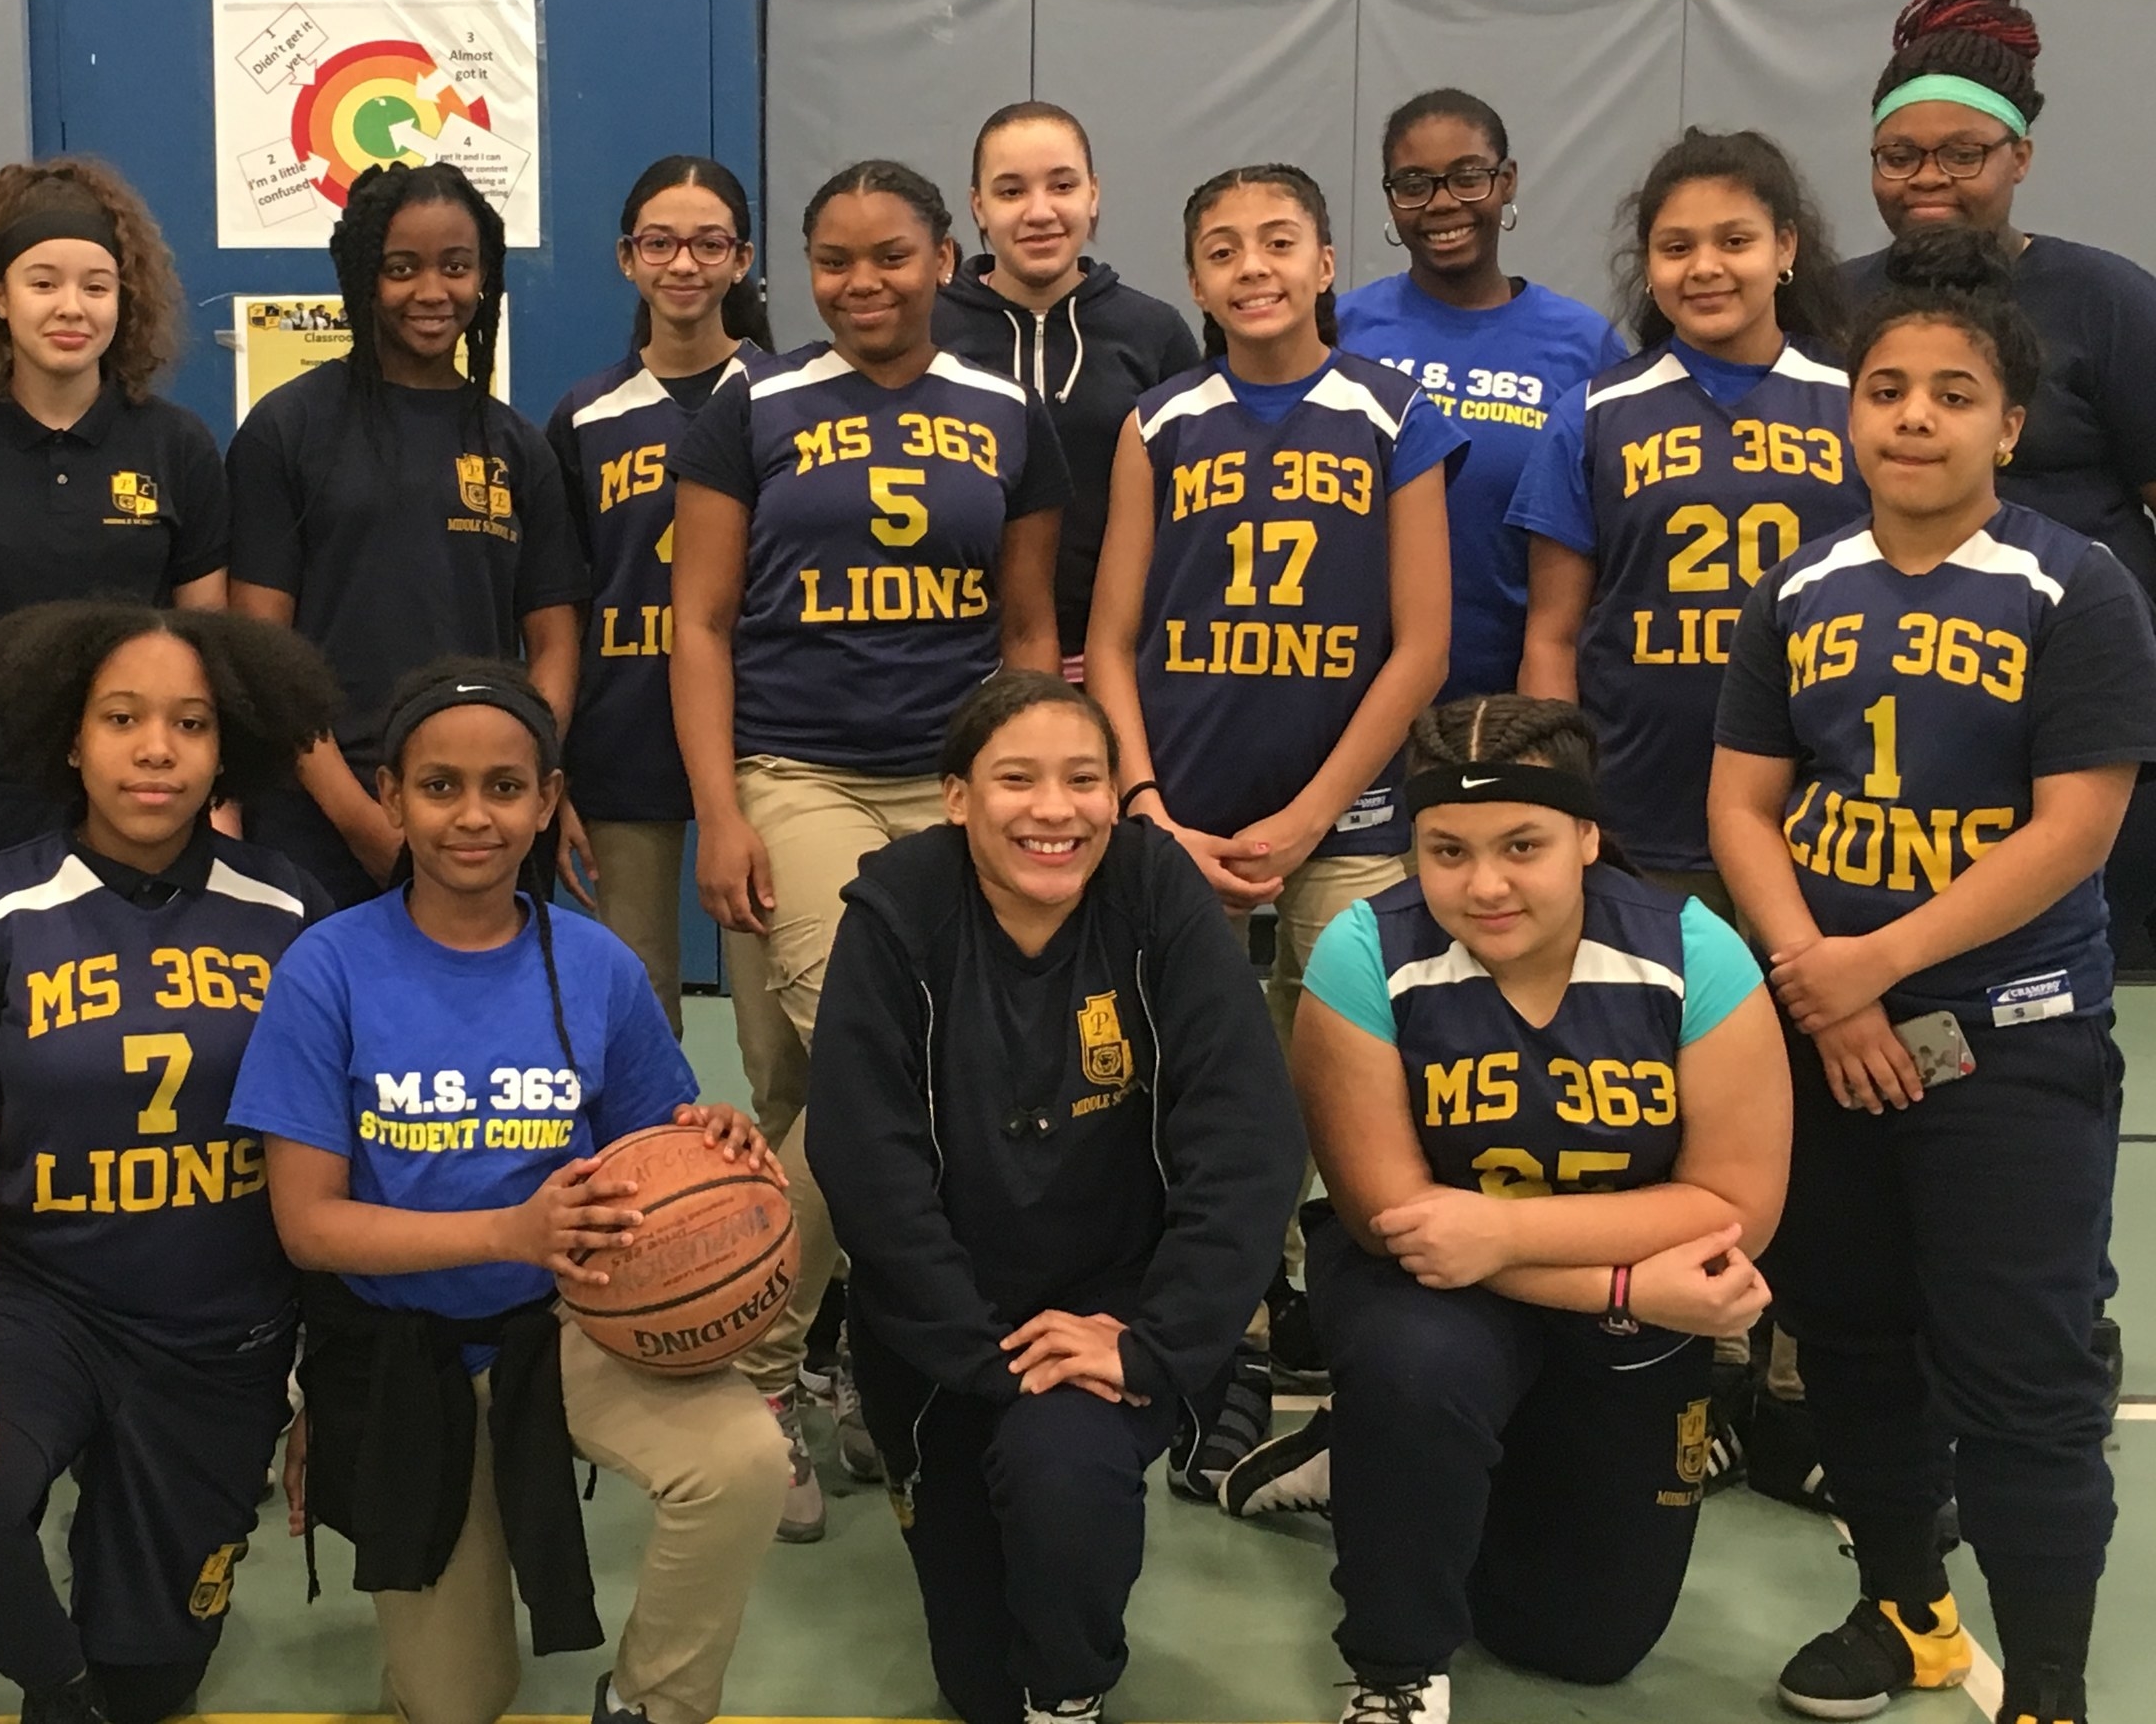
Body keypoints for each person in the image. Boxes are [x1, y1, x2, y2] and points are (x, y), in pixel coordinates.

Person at [1711, 228, 2156, 1724]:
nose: (1913, 414)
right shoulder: (1796, 587)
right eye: (1887, 387)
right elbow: (1742, 803)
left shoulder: (2075, 586)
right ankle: (1901, 1608)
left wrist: (1873, 969)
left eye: (1951, 393)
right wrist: (1813, 977)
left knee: (2025, 1380)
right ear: (1850, 410)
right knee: (1846, 1339)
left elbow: (2076, 830)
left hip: (2009, 1034)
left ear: (2007, 426)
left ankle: (2045, 1691)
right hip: (1832, 1031)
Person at [231, 660, 790, 1724]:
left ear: (547, 801)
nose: (473, 816)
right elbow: (308, 1227)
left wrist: (714, 1143)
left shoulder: (596, 965)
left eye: (504, 787)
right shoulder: (327, 968)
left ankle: (651, 1704)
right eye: (440, 788)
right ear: (391, 798)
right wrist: (512, 1228)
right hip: (408, 1359)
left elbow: (658, 1150)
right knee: (455, 1706)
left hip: (572, 1336)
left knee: (742, 1460)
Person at [1224, 695, 1787, 1724]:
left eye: (1521, 845)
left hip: (1603, 1285)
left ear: (1586, 835)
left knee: (1583, 1645)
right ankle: (1394, 1669)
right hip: (1442, 1291)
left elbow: (1737, 1204)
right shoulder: (1364, 954)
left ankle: (1379, 1468)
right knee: (1418, 1375)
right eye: (1447, 850)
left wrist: (1523, 1242)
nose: (1483, 885)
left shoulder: (1693, 954)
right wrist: (1625, 1278)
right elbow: (1399, 1219)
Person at [672, 157, 1070, 1537]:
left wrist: (1030, 786)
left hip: (954, 777)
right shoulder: (753, 404)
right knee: (863, 1060)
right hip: (796, 769)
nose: (862, 283)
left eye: (890, 256)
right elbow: (703, 622)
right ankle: (762, 1384)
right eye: (834, 261)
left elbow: (1028, 628)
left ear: (944, 258)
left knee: (820, 1100)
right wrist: (721, 807)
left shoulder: (1009, 409)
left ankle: (820, 1358)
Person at [0, 601, 338, 1724]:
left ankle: (115, 1656)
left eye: (189, 723)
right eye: (121, 718)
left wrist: (328, 1377)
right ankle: (59, 1691)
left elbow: (335, 1167)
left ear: (228, 747)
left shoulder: (291, 912)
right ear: (70, 737)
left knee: (157, 1677)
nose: (156, 749)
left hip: (222, 1332)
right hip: (44, 1308)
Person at [805, 671, 1301, 1724]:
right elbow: (867, 1163)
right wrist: (985, 1356)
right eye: (1016, 779)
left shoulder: (1157, 893)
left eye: (1085, 780)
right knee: (979, 1684)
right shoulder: (897, 915)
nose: (1054, 809)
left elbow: (1247, 1136)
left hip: (1119, 1310)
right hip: (945, 1337)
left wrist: (1156, 1340)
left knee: (1063, 1476)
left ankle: (1070, 1701)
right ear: (956, 797)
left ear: (1117, 796)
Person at [1085, 162, 1457, 1358]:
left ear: (1328, 262)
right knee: (1187, 1077)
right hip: (1178, 812)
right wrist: (1142, 802)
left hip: (1346, 819)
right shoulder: (1160, 422)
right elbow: (1109, 638)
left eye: (1280, 241)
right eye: (1226, 249)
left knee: (1343, 1077)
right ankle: (1212, 1320)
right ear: (1195, 278)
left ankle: (1339, 1320)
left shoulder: (1395, 413)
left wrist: (1310, 816)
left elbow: (1423, 649)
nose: (1255, 267)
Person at [1840, 0, 2156, 969]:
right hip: (1892, 735)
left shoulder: (2106, 300)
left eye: (1962, 154)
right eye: (1900, 156)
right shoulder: (1828, 309)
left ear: (2019, 155)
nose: (1927, 178)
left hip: (2081, 727)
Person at [1510, 129, 1859, 911]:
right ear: (1649, 266)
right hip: (1643, 803)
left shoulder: (1856, 398)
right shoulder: (1594, 413)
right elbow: (1552, 634)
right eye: (1676, 247)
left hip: (1832, 800)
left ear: (1786, 247)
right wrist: (1565, 796)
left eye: (1735, 240)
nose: (1705, 267)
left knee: (1818, 1019)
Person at [228, 161, 586, 910]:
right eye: (402, 268)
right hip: (320, 815)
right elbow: (264, 651)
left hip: (475, 821)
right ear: (363, 276)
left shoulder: (519, 448)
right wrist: (364, 821)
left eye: (456, 266)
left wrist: (522, 772)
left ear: (483, 277)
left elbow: (553, 645)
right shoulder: (287, 430)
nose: (432, 291)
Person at [0, 160, 228, 904]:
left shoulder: (179, 446)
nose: (71, 308)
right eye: (43, 283)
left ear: (122, 301)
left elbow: (210, 647)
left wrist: (221, 805)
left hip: (146, 793)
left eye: (95, 287)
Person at [545, 156, 774, 1032]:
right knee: (635, 1021)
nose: (684, 264)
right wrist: (551, 767)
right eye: (660, 243)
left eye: (709, 243)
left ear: (742, 258)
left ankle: (786, 1178)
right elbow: (558, 602)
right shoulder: (586, 415)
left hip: (758, 737)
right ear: (626, 259)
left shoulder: (786, 396)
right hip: (622, 736)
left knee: (774, 1030)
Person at [1335, 90, 1626, 698]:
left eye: (1468, 177)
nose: (1442, 204)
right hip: (1353, 698)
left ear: (1507, 181)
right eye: (1414, 184)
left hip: (1514, 695)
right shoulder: (1342, 330)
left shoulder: (1582, 344)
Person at [933, 102, 1201, 675]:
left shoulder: (1154, 334)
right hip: (958, 664)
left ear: (1094, 194)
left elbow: (1189, 514)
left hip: (1123, 664)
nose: (1039, 212)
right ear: (977, 206)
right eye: (1010, 192)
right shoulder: (930, 330)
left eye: (1062, 185)